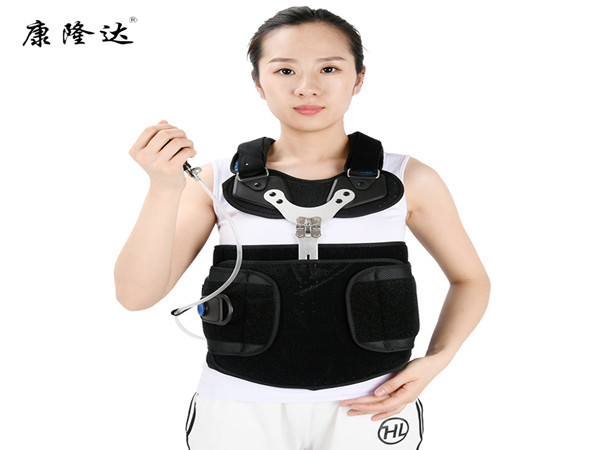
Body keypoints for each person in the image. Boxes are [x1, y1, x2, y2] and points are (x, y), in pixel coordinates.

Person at [114, 6, 490, 449]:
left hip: (373, 402)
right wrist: (163, 187)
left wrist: (438, 360)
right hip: (238, 406)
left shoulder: (410, 179)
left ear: (359, 78)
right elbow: (135, 296)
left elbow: (470, 280)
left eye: (329, 68)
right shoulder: (215, 181)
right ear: (259, 83)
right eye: (285, 70)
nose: (307, 87)